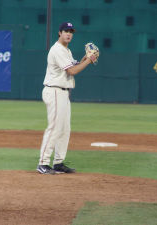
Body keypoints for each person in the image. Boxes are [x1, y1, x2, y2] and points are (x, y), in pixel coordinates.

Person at [37, 22, 98, 174]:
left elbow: (74, 65)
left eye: (71, 31)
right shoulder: (57, 49)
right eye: (66, 31)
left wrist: (85, 58)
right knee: (55, 128)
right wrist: (89, 61)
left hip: (63, 93)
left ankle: (58, 163)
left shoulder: (66, 50)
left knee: (65, 129)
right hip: (55, 91)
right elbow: (72, 71)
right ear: (59, 33)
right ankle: (43, 163)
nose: (69, 34)